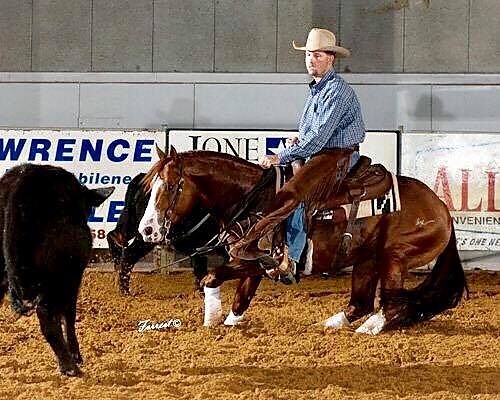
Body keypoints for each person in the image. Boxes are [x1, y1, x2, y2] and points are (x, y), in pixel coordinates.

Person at [232, 27, 366, 274]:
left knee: (297, 191)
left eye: (317, 55)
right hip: (323, 153)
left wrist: (280, 156)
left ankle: (293, 258)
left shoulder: (337, 91)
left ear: (331, 59)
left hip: (338, 155)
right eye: (308, 55)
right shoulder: (317, 89)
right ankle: (272, 240)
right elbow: (314, 133)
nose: (311, 60)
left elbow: (319, 139)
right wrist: (299, 140)